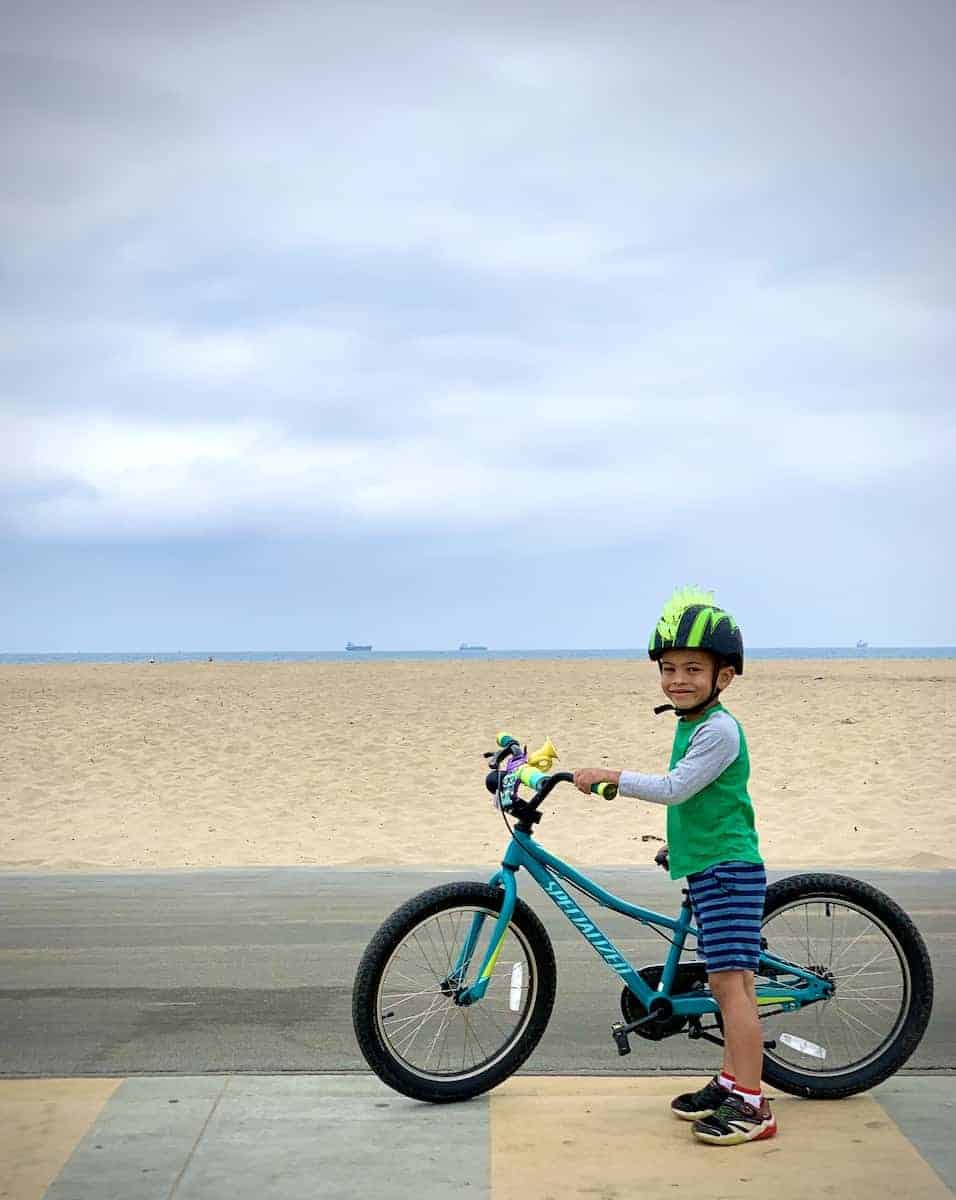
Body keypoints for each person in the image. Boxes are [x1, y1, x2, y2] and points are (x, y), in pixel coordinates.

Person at [573, 586, 775, 1146]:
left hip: (730, 869)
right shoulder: (692, 723)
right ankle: (734, 1081)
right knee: (720, 981)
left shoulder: (719, 729)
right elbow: (700, 802)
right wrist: (679, 846)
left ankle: (754, 1106)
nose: (677, 679)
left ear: (724, 677)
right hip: (709, 864)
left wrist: (611, 775)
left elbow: (677, 787)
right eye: (668, 668)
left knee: (733, 987)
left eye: (692, 668)